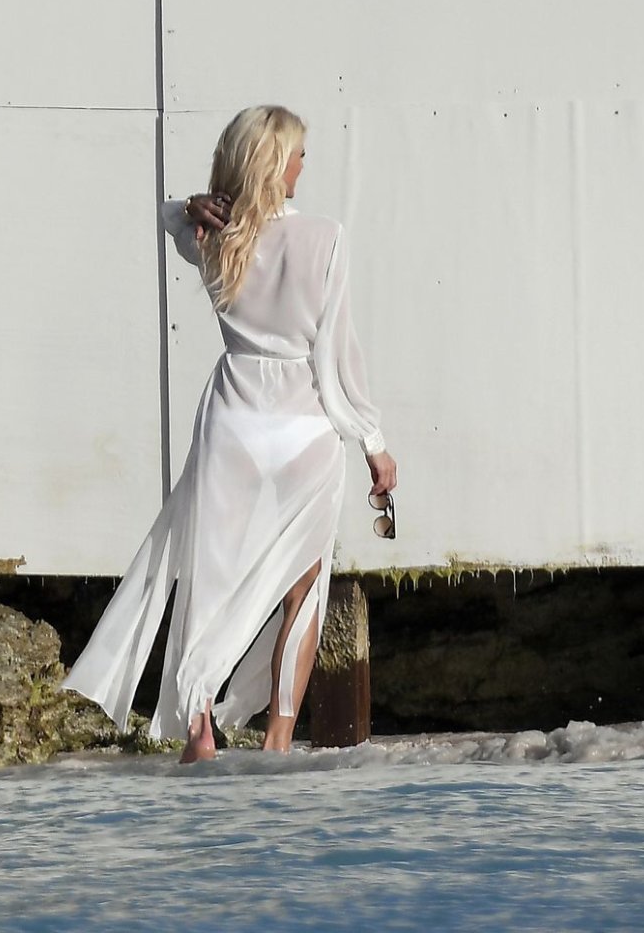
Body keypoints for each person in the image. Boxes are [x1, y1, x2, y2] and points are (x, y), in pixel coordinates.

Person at [65, 105, 397, 760]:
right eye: (298, 154)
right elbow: (339, 352)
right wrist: (374, 443)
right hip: (305, 428)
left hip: (235, 420)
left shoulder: (213, 236)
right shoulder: (326, 238)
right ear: (275, 163)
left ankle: (199, 724)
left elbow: (168, 216)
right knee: (303, 589)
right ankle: (278, 738)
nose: (304, 165)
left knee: (210, 579)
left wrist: (200, 204)